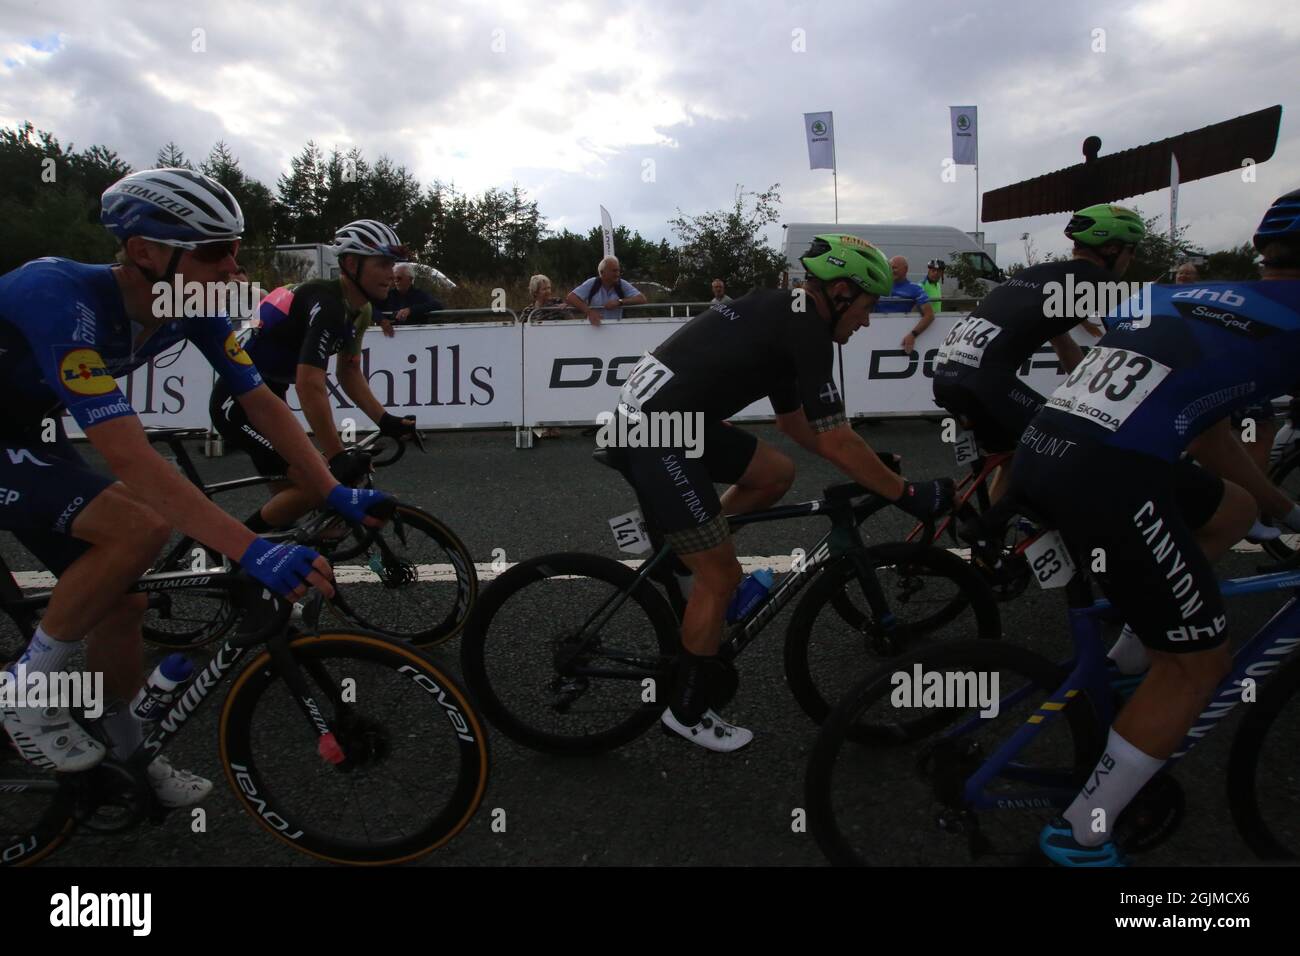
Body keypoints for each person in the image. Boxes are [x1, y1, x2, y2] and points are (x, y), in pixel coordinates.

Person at [0, 168, 390, 801]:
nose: (234, 268)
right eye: (214, 252)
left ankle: (125, 759)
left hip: (20, 434)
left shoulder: (192, 305)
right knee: (140, 524)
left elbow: (261, 401)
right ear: (145, 253)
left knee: (121, 603)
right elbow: (130, 459)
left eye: (236, 248)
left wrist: (331, 489)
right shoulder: (58, 295)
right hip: (14, 438)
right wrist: (252, 548)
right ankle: (23, 692)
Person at [1003, 189, 1300, 866]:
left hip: (1043, 451)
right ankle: (1079, 835)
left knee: (1233, 509)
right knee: (1201, 665)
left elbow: (1212, 428)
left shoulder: (1176, 296)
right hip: (1108, 473)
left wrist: (1275, 506)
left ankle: (1133, 657)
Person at [619, 235, 954, 751]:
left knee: (774, 472)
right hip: (656, 435)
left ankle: (677, 539)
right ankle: (686, 710)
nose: (866, 321)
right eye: (866, 307)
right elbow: (836, 438)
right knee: (722, 574)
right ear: (841, 292)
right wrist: (906, 493)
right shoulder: (807, 329)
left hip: (665, 422)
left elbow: (798, 425)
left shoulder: (786, 312)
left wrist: (870, 468)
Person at [210, 219, 419, 534]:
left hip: (268, 397)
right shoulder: (327, 303)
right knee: (317, 484)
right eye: (382, 264)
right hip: (238, 403)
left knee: (301, 503)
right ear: (351, 264)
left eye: (393, 264)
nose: (391, 274)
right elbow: (310, 385)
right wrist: (335, 455)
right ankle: (239, 552)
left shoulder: (359, 311)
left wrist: (384, 419)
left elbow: (348, 371)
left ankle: (265, 562)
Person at [932, 204, 1144, 502]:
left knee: (1013, 455)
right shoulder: (1101, 283)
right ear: (1111, 248)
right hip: (984, 382)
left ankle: (987, 535)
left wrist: (1085, 391)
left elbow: (1062, 341)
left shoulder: (1042, 274)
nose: (1131, 259)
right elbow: (1136, 345)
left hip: (947, 376)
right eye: (1131, 251)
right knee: (1075, 451)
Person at [872, 255, 935, 352]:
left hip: (898, 336)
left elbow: (929, 315)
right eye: (890, 268)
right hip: (874, 336)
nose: (892, 271)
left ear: (905, 269)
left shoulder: (915, 289)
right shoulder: (880, 285)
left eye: (895, 268)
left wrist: (913, 335)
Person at [565, 256, 646, 325]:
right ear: (602, 272)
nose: (617, 274)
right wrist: (589, 312)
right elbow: (571, 297)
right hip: (594, 329)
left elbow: (642, 299)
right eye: (614, 271)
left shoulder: (622, 283)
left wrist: (619, 301)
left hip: (617, 329)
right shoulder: (592, 283)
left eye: (618, 270)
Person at [376, 261, 443, 337]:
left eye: (399, 278)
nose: (395, 281)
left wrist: (410, 310)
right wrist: (381, 320)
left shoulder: (420, 295)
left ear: (410, 279)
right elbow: (371, 307)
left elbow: (437, 305)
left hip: (416, 337)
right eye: (394, 278)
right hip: (391, 337)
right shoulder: (388, 295)